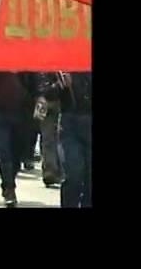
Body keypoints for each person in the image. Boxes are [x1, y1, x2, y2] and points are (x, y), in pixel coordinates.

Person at [0, 71, 35, 208]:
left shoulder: (24, 59)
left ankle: (11, 179)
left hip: (21, 111)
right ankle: (8, 187)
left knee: (17, 153)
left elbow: (34, 80)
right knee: (3, 152)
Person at [38, 72, 91, 207]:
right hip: (70, 125)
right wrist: (60, 85)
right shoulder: (63, 64)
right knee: (74, 174)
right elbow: (45, 91)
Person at [31, 73, 64, 187]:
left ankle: (51, 170)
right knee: (50, 138)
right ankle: (51, 171)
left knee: (49, 138)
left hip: (47, 99)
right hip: (50, 100)